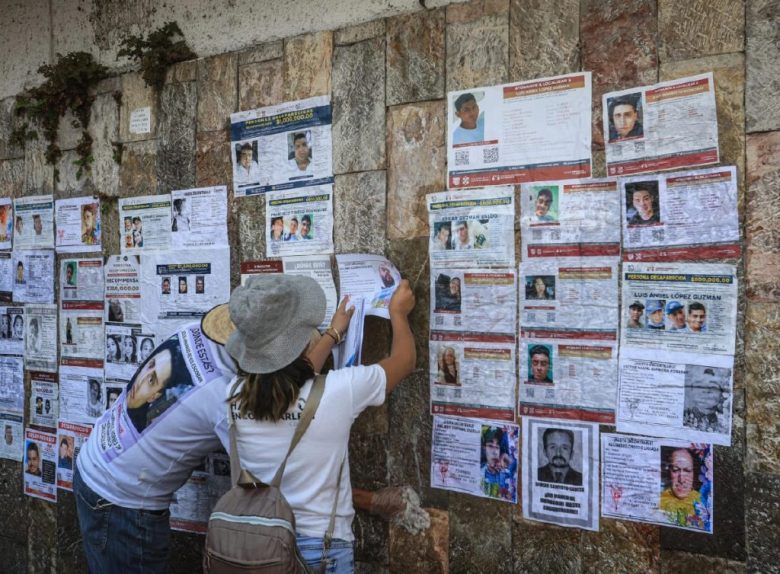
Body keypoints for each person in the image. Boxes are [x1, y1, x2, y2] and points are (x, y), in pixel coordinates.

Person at [74, 275, 358, 573]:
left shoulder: (195, 332)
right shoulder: (227, 398)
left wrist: (332, 335)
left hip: (98, 465)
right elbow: (270, 478)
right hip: (120, 504)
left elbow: (281, 374)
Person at [228, 275, 416, 572]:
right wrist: (398, 314)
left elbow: (289, 377)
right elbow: (404, 361)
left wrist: (332, 335)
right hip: (321, 549)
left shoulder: (235, 395)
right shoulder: (339, 391)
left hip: (258, 543)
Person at [660, 448, 701, 519]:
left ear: (694, 473)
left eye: (687, 470)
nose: (681, 479)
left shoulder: (703, 502)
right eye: (675, 470)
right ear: (669, 472)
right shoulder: (659, 501)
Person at [683, 367, 728, 432]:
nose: (706, 391)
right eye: (699, 386)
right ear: (691, 390)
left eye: (713, 387)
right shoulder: (685, 416)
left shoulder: (724, 420)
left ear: (722, 394)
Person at [480, 427, 515, 501]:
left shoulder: (507, 472)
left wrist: (509, 460)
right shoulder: (480, 472)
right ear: (484, 448)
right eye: (490, 446)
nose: (494, 452)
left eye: (497, 447)